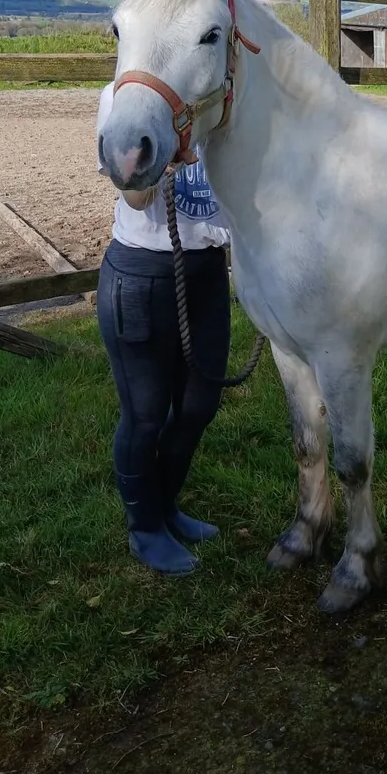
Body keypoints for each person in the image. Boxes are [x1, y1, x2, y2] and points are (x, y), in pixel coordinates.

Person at [95, 79, 232, 576]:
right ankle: (145, 528)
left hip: (207, 274)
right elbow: (134, 200)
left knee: (198, 406)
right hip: (142, 274)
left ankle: (165, 504)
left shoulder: (220, 96)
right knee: (145, 414)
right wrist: (167, 154)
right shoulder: (125, 99)